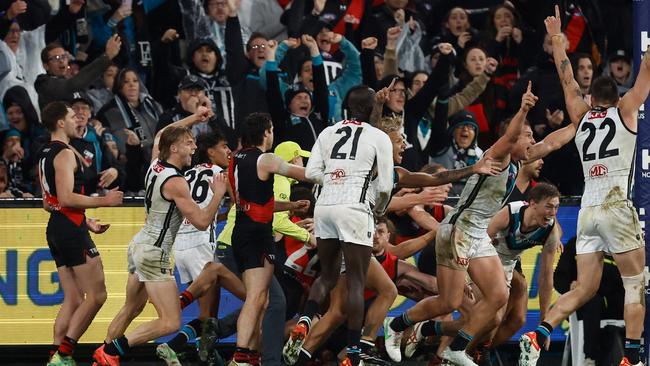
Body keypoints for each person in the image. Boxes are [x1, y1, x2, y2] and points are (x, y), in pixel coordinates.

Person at [384, 78, 581, 365]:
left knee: (499, 295)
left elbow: (553, 141)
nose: (532, 142)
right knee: (449, 302)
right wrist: (523, 111)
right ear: (513, 139)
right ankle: (397, 325)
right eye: (527, 137)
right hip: (458, 231)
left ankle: (456, 348)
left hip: (476, 235)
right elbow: (511, 136)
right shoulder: (498, 156)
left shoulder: (518, 160)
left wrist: (581, 121)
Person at [519, 7, 650, 366]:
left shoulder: (581, 116)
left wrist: (558, 39)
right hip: (615, 206)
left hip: (588, 212)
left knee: (585, 288)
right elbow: (645, 77)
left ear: (592, 100)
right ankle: (633, 359)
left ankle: (540, 331)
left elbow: (567, 80)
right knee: (636, 283)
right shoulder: (626, 112)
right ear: (618, 99)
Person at [91, 106, 225, 365]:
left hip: (140, 244)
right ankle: (112, 351)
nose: (194, 148)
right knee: (170, 321)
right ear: (173, 149)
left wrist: (195, 118)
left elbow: (163, 133)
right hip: (154, 253)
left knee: (132, 308)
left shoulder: (156, 164)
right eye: (189, 143)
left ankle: (102, 357)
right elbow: (200, 221)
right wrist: (217, 194)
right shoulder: (176, 182)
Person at [288, 86, 393, 366]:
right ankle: (354, 352)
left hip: (324, 207)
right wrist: (379, 208)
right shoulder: (379, 136)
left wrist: (334, 178)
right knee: (356, 282)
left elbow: (310, 173)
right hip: (355, 209)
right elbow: (385, 185)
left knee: (328, 276)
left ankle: (305, 321)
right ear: (373, 109)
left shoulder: (326, 132)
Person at [37, 101, 123, 366]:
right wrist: (105, 201)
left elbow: (49, 202)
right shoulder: (64, 153)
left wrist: (86, 222)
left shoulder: (45, 153)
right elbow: (65, 196)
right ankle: (64, 354)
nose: (79, 119)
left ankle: (55, 356)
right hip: (69, 229)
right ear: (61, 123)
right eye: (73, 116)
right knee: (97, 295)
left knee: (74, 298)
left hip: (58, 227)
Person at [156, 130, 245, 365]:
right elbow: (240, 204)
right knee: (210, 316)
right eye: (224, 146)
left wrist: (220, 214)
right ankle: (175, 347)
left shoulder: (188, 174)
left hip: (182, 244)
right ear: (210, 151)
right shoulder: (221, 175)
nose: (228, 151)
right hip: (201, 243)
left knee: (209, 316)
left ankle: (194, 352)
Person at [228, 113, 310, 366]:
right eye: (272, 129)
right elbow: (304, 174)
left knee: (262, 298)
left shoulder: (236, 159)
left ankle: (250, 354)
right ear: (266, 132)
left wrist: (291, 205)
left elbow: (252, 201)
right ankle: (241, 355)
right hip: (257, 234)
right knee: (256, 297)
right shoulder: (266, 159)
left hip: (242, 230)